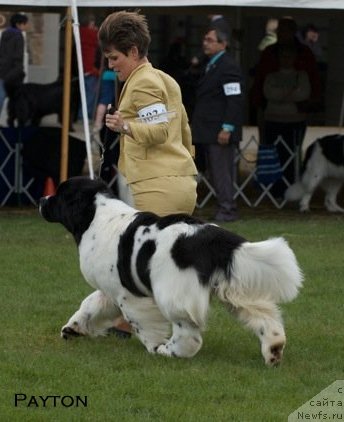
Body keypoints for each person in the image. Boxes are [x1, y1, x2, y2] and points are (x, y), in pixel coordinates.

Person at [99, 10, 198, 216]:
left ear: (133, 51)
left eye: (114, 57)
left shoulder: (143, 82)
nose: (110, 65)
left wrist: (123, 126)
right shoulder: (165, 79)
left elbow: (160, 131)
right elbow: (184, 131)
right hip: (180, 182)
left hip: (155, 188)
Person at [191, 26, 244, 222]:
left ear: (223, 44)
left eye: (210, 39)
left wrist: (227, 127)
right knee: (215, 171)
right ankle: (223, 206)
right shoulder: (210, 64)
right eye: (205, 39)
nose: (205, 42)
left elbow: (235, 99)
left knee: (222, 171)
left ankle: (227, 208)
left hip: (219, 129)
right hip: (206, 128)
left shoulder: (228, 66)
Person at [263, 45, 311, 196]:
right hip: (273, 121)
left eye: (289, 56)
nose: (286, 59)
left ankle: (292, 189)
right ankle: (274, 190)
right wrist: (290, 92)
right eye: (283, 56)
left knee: (293, 157)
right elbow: (269, 93)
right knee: (274, 156)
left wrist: (280, 94)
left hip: (295, 122)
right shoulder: (271, 76)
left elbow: (303, 93)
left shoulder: (301, 75)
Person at [0, 12, 29, 114]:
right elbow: (18, 57)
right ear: (18, 24)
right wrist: (19, 71)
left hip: (2, 70)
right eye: (25, 24)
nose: (27, 26)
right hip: (12, 73)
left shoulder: (5, 34)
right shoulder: (18, 36)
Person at [78, 14, 100, 119]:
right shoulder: (89, 33)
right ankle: (85, 116)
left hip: (83, 68)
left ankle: (81, 115)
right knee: (90, 94)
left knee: (84, 94)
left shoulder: (80, 32)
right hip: (89, 69)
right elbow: (100, 37)